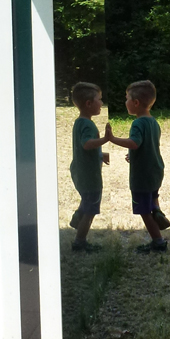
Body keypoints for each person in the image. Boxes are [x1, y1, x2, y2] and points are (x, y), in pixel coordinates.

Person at [106, 79, 170, 253]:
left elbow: (134, 143)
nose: (124, 102)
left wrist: (112, 139)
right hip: (155, 170)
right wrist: (134, 155)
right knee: (152, 198)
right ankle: (157, 210)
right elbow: (145, 145)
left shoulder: (138, 123)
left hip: (142, 175)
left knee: (143, 209)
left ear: (135, 103)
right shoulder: (153, 122)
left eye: (126, 99)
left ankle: (158, 242)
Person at [69, 81, 110, 252]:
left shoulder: (80, 122)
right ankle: (80, 241)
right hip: (89, 175)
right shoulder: (87, 124)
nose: (101, 103)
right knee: (91, 208)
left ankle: (77, 219)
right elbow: (86, 144)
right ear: (89, 104)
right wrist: (105, 139)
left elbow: (84, 147)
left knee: (87, 201)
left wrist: (101, 154)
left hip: (81, 171)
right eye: (99, 99)